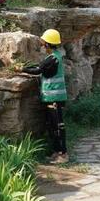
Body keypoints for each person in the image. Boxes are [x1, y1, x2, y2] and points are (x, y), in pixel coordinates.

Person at [22, 28, 68, 163]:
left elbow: (38, 70)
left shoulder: (53, 59)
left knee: (57, 126)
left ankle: (63, 154)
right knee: (52, 126)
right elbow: (41, 67)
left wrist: (21, 69)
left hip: (54, 99)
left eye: (43, 44)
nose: (42, 46)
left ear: (48, 44)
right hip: (52, 98)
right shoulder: (54, 56)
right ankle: (57, 152)